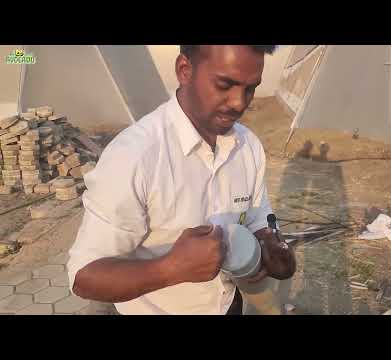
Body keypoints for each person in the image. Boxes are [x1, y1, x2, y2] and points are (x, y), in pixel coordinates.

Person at [67, 45, 296, 315]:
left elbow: (260, 220)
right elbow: (83, 277)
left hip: (229, 305)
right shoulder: (134, 158)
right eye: (225, 84)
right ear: (184, 70)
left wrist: (269, 247)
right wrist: (171, 269)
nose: (239, 102)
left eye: (250, 88)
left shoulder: (248, 147)